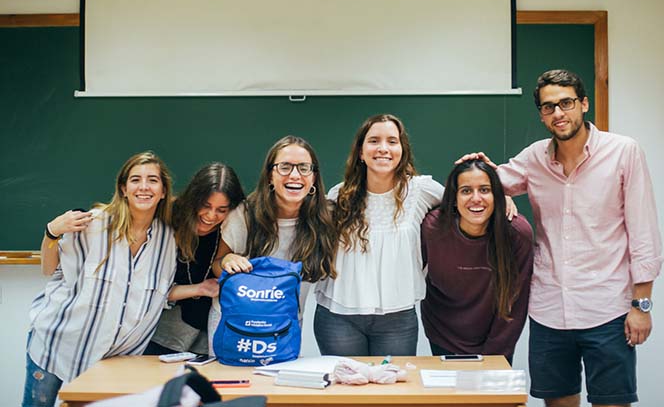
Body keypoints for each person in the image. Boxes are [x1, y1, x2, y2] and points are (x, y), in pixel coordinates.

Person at [463, 69, 663, 407]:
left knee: (613, 402)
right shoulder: (533, 159)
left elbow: (644, 233)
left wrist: (641, 306)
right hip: (550, 311)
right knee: (557, 403)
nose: (558, 113)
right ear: (541, 114)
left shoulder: (623, 152)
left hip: (608, 309)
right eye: (548, 107)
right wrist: (478, 174)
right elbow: (490, 186)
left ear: (584, 104)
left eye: (566, 103)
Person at [24, 151, 177, 407]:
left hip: (115, 360)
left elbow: (160, 292)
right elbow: (50, 269)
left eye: (152, 180)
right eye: (135, 180)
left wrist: (203, 288)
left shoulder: (169, 240)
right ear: (123, 188)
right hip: (59, 345)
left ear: (163, 191)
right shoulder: (92, 225)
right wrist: (51, 232)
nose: (144, 187)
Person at [313, 114, 445, 356]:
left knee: (392, 391)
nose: (383, 148)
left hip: (397, 319)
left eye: (392, 141)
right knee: (346, 392)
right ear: (361, 153)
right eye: (374, 141)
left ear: (402, 151)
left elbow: (468, 204)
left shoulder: (421, 190)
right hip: (338, 317)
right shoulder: (338, 195)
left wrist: (505, 197)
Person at [209, 135, 337, 353]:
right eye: (285, 167)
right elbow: (218, 263)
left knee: (277, 386)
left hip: (284, 328)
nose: (295, 175)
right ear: (270, 175)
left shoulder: (327, 218)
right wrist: (229, 260)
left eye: (304, 168)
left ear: (313, 177)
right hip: (235, 327)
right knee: (231, 386)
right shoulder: (245, 214)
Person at [421, 159, 533, 365]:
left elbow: (515, 304)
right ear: (453, 198)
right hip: (442, 332)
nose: (476, 199)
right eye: (465, 191)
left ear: (498, 196)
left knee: (489, 396)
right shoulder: (432, 228)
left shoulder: (517, 234)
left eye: (485, 190)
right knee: (450, 396)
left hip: (496, 337)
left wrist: (493, 357)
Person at [145, 163, 245, 356]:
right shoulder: (167, 219)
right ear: (193, 198)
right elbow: (145, 288)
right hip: (159, 331)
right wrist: (199, 289)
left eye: (221, 210)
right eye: (205, 205)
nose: (210, 216)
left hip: (210, 335)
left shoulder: (233, 232)